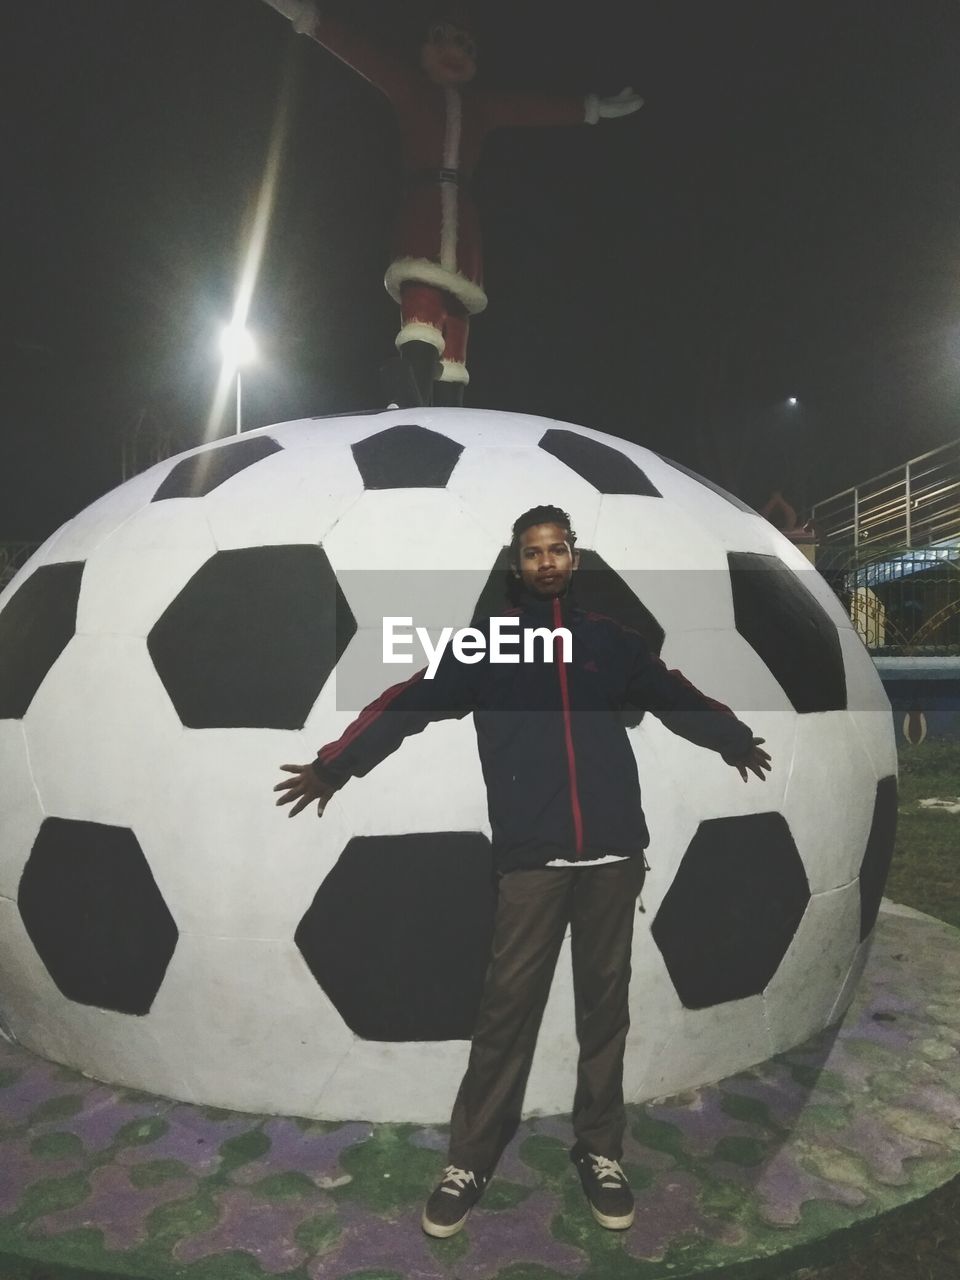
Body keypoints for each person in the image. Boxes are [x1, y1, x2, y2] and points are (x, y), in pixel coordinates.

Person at [275, 505, 772, 1236]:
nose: (547, 562)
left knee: (605, 1013)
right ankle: (470, 1159)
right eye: (534, 552)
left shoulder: (613, 644)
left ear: (575, 557)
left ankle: (600, 1150)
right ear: (517, 564)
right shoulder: (487, 646)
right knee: (507, 1012)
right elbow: (405, 701)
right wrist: (334, 767)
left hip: (612, 857)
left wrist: (731, 739)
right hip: (532, 861)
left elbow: (675, 697)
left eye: (558, 549)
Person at [260, 0, 644, 405]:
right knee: (422, 300)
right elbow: (361, 53)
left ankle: (450, 406)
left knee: (457, 317)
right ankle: (411, 397)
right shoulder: (411, 88)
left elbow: (529, 107)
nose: (457, 53)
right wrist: (308, 17)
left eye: (467, 47)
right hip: (423, 210)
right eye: (448, 41)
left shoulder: (481, 108)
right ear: (428, 47)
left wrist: (591, 109)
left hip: (464, 221)